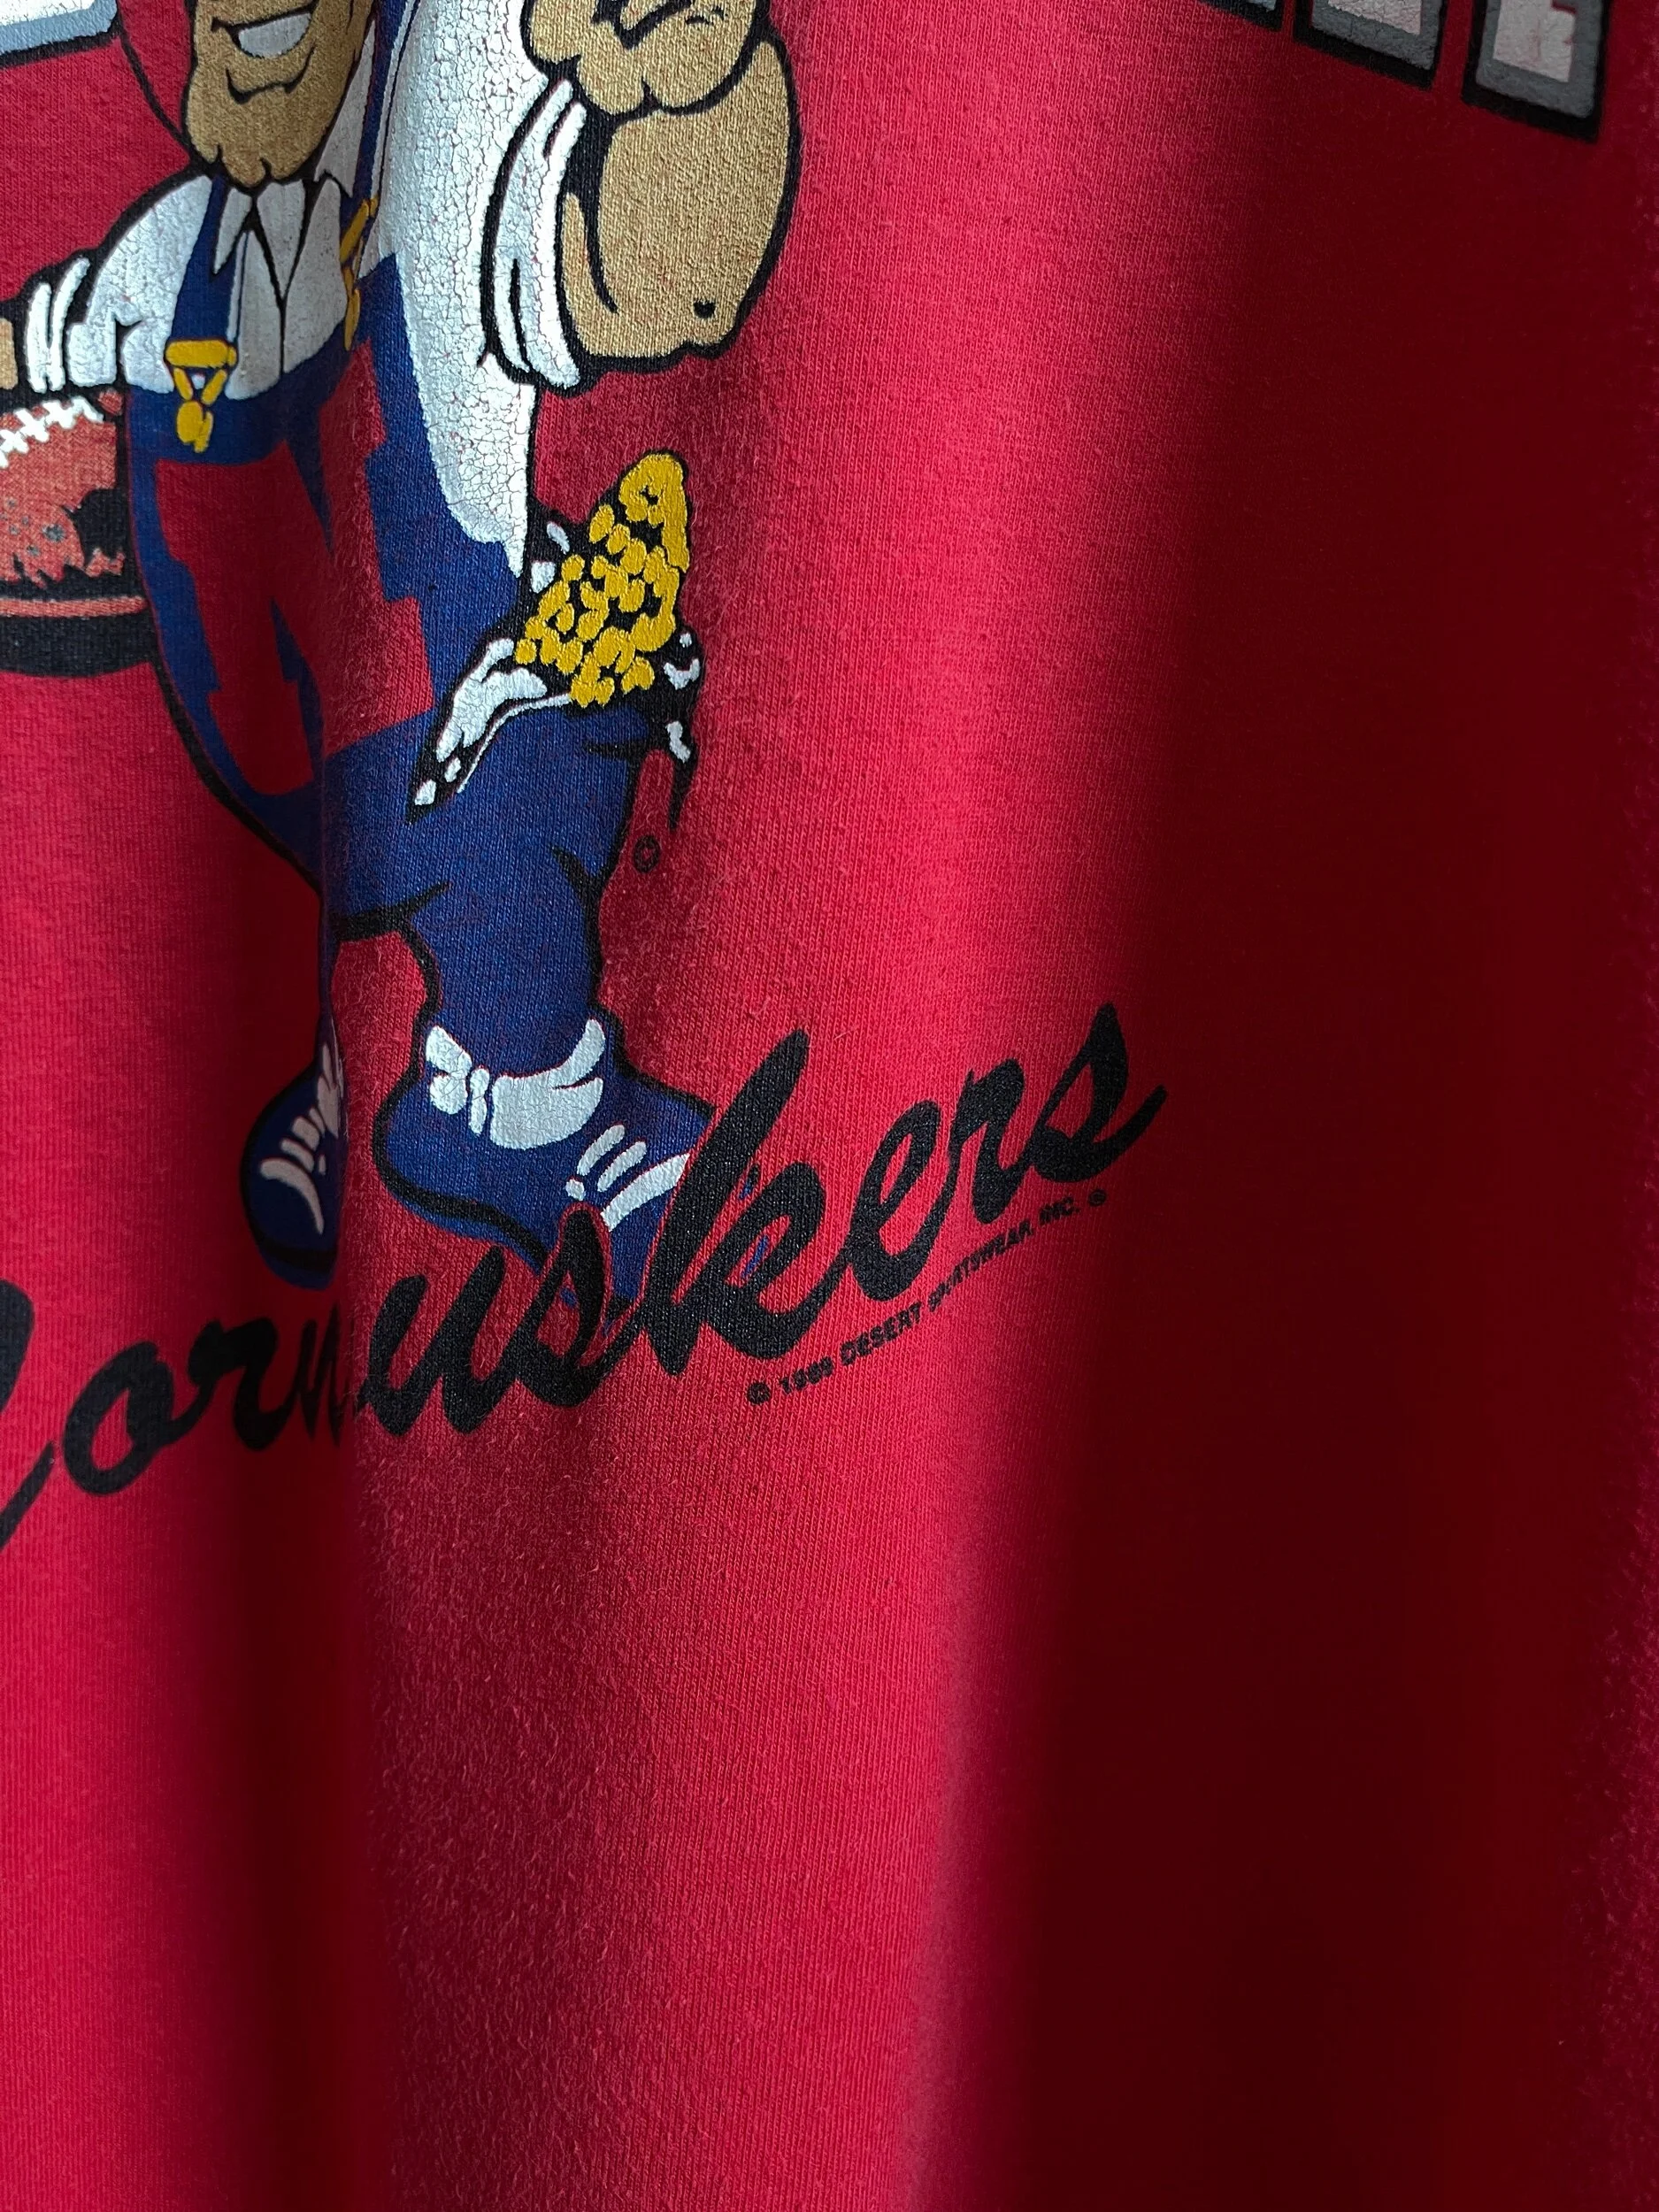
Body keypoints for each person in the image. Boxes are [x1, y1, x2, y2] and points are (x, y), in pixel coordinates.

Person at [0, 0, 796, 1297]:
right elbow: (37, 347)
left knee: (552, 754)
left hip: (381, 702)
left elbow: (648, 273)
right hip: (326, 727)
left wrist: (686, 94)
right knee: (543, 789)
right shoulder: (171, 253)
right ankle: (508, 1106)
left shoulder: (432, 186)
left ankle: (374, 1076)